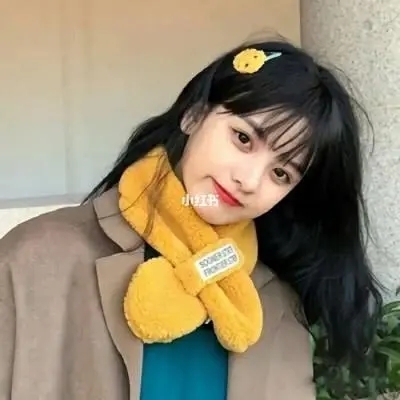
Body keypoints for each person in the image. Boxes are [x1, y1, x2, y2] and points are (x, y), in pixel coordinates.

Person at [0, 39, 383, 400]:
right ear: (194, 115)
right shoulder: (37, 258)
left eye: (280, 173)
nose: (249, 180)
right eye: (243, 139)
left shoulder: (274, 308)